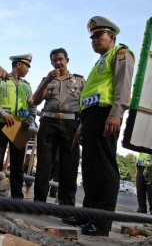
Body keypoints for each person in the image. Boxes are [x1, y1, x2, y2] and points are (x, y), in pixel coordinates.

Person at [72, 16, 135, 236]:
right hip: (91, 118)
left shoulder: (120, 53)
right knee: (90, 169)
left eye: (99, 35)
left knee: (104, 168)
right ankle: (88, 216)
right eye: (92, 37)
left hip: (106, 115)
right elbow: (89, 94)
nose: (94, 40)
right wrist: (81, 127)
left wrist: (116, 112)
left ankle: (101, 223)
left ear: (112, 37)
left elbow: (123, 85)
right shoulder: (100, 61)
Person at [33, 48, 85, 207]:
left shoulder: (80, 81)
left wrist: (82, 126)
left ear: (67, 60)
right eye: (54, 60)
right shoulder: (47, 80)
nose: (58, 62)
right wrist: (47, 80)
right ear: (51, 63)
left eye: (60, 59)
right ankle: (38, 204)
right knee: (44, 164)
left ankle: (66, 207)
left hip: (71, 125)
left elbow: (86, 105)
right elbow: (34, 101)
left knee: (69, 165)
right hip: (48, 123)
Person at [0, 54, 37, 198]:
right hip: (0, 126)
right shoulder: (1, 80)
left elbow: (33, 106)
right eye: (27, 66)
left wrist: (28, 121)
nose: (28, 69)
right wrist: (4, 114)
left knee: (17, 164)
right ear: (19, 65)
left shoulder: (27, 86)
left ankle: (16, 198)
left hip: (19, 129)